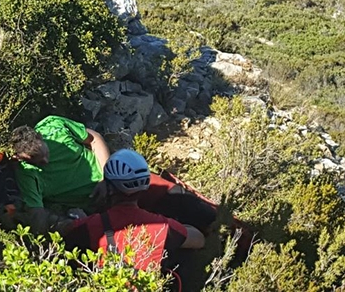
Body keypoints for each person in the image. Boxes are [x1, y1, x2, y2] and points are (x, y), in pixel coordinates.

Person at [60, 149, 205, 274]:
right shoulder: (162, 227)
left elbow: (63, 235)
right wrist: (172, 225)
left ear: (109, 188)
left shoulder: (90, 225)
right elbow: (199, 239)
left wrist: (83, 219)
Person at [12, 115, 110, 234]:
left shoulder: (54, 125)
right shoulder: (27, 173)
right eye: (37, 161)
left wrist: (106, 177)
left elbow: (94, 139)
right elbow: (37, 212)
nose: (45, 161)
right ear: (19, 158)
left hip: (112, 180)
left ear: (40, 136)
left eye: (45, 154)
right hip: (93, 208)